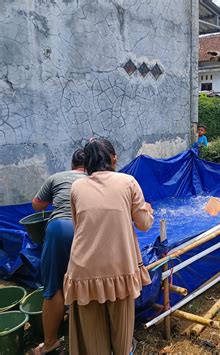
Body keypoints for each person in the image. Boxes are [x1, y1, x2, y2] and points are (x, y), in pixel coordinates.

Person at [64, 138, 154, 354]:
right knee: (122, 339)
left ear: (88, 162)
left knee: (93, 343)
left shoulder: (76, 187)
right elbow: (144, 224)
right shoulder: (128, 182)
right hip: (120, 269)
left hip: (83, 271)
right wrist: (148, 210)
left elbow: (79, 228)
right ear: (113, 158)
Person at [31, 149, 86, 354]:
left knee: (54, 285)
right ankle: (85, 334)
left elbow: (37, 205)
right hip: (87, 230)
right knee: (86, 281)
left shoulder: (57, 177)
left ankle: (50, 342)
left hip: (60, 228)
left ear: (72, 165)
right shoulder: (94, 179)